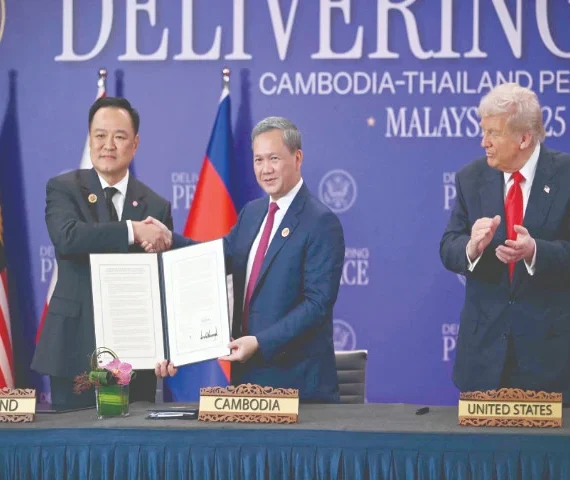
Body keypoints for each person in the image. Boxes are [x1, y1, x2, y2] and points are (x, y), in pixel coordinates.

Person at [154, 116, 345, 402]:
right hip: (246, 380)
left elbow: (316, 305)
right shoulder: (252, 214)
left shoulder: (320, 222)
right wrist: (169, 240)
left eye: (274, 159)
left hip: (298, 386)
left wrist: (260, 342)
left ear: (297, 157)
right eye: (258, 160)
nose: (265, 169)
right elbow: (216, 259)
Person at [32, 97, 173, 407]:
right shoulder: (63, 188)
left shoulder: (156, 206)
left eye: (119, 137)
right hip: (72, 349)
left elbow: (163, 284)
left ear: (134, 144)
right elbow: (68, 238)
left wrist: (168, 345)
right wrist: (132, 231)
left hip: (135, 354)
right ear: (90, 139)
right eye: (99, 135)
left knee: (130, 448)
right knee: (72, 449)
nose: (108, 144)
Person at [440, 82, 570, 394]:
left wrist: (536, 251)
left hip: (550, 358)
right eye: (483, 131)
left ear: (524, 138)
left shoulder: (566, 175)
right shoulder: (471, 178)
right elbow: (449, 245)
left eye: (493, 133)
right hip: (484, 358)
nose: (484, 142)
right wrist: (471, 247)